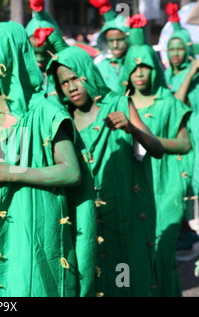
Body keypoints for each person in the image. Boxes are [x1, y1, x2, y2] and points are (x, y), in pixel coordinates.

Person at [0, 0, 97, 297]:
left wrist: (10, 172)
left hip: (34, 236)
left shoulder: (45, 111)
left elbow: (72, 173)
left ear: (13, 54)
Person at [45, 27, 165, 297]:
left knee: (126, 284)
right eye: (64, 82)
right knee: (93, 285)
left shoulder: (119, 104)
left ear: (89, 72)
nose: (72, 86)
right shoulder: (63, 120)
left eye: (76, 77)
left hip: (125, 218)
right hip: (86, 220)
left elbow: (156, 150)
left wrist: (133, 130)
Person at [120, 13, 192, 297]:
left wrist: (148, 139)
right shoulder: (119, 104)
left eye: (145, 67)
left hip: (165, 188)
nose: (140, 74)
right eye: (134, 68)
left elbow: (184, 144)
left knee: (162, 255)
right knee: (134, 257)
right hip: (131, 189)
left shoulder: (170, 103)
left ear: (155, 69)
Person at [164, 2, 199, 251]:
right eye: (171, 48)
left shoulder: (195, 75)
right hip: (175, 141)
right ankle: (184, 234)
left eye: (180, 48)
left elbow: (179, 101)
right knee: (179, 187)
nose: (175, 53)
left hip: (194, 139)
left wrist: (193, 69)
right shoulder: (165, 76)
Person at [89, 0, 130, 93]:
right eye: (111, 41)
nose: (115, 45)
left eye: (119, 40)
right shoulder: (99, 67)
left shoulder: (136, 66)